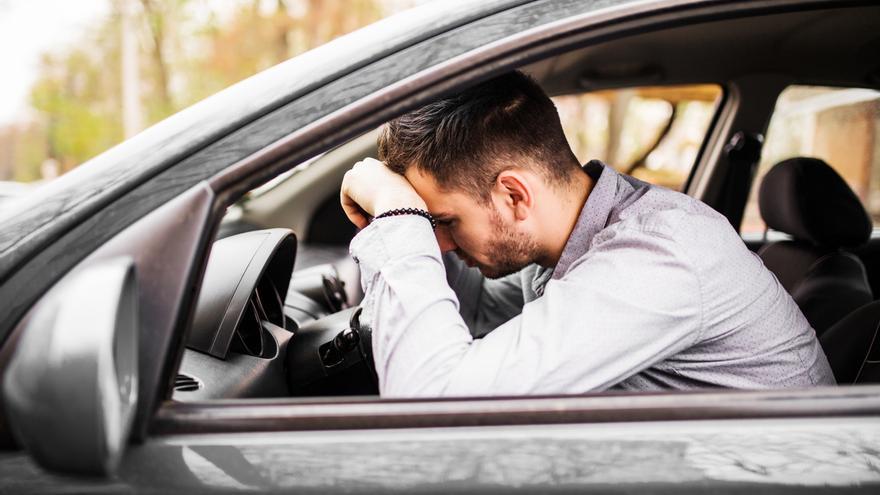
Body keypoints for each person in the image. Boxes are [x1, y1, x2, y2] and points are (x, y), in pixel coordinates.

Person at [339, 70, 834, 397]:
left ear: (514, 196)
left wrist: (398, 221)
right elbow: (475, 311)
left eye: (444, 222)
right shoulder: (575, 238)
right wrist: (407, 217)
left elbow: (430, 407)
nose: (439, 243)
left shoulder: (659, 255)